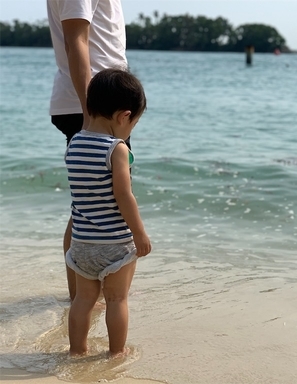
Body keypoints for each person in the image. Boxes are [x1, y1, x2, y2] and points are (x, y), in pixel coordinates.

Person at [65, 68, 151, 357]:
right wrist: (139, 233)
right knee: (116, 299)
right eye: (134, 123)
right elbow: (123, 195)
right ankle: (117, 353)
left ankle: (77, 351)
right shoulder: (117, 149)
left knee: (82, 301)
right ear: (123, 116)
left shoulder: (75, 143)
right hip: (115, 243)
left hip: (82, 244)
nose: (131, 130)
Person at [46, 0, 128, 301]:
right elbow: (75, 40)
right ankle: (84, 296)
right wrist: (90, 113)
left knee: (92, 204)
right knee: (101, 204)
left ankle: (85, 295)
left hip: (102, 105)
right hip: (94, 107)